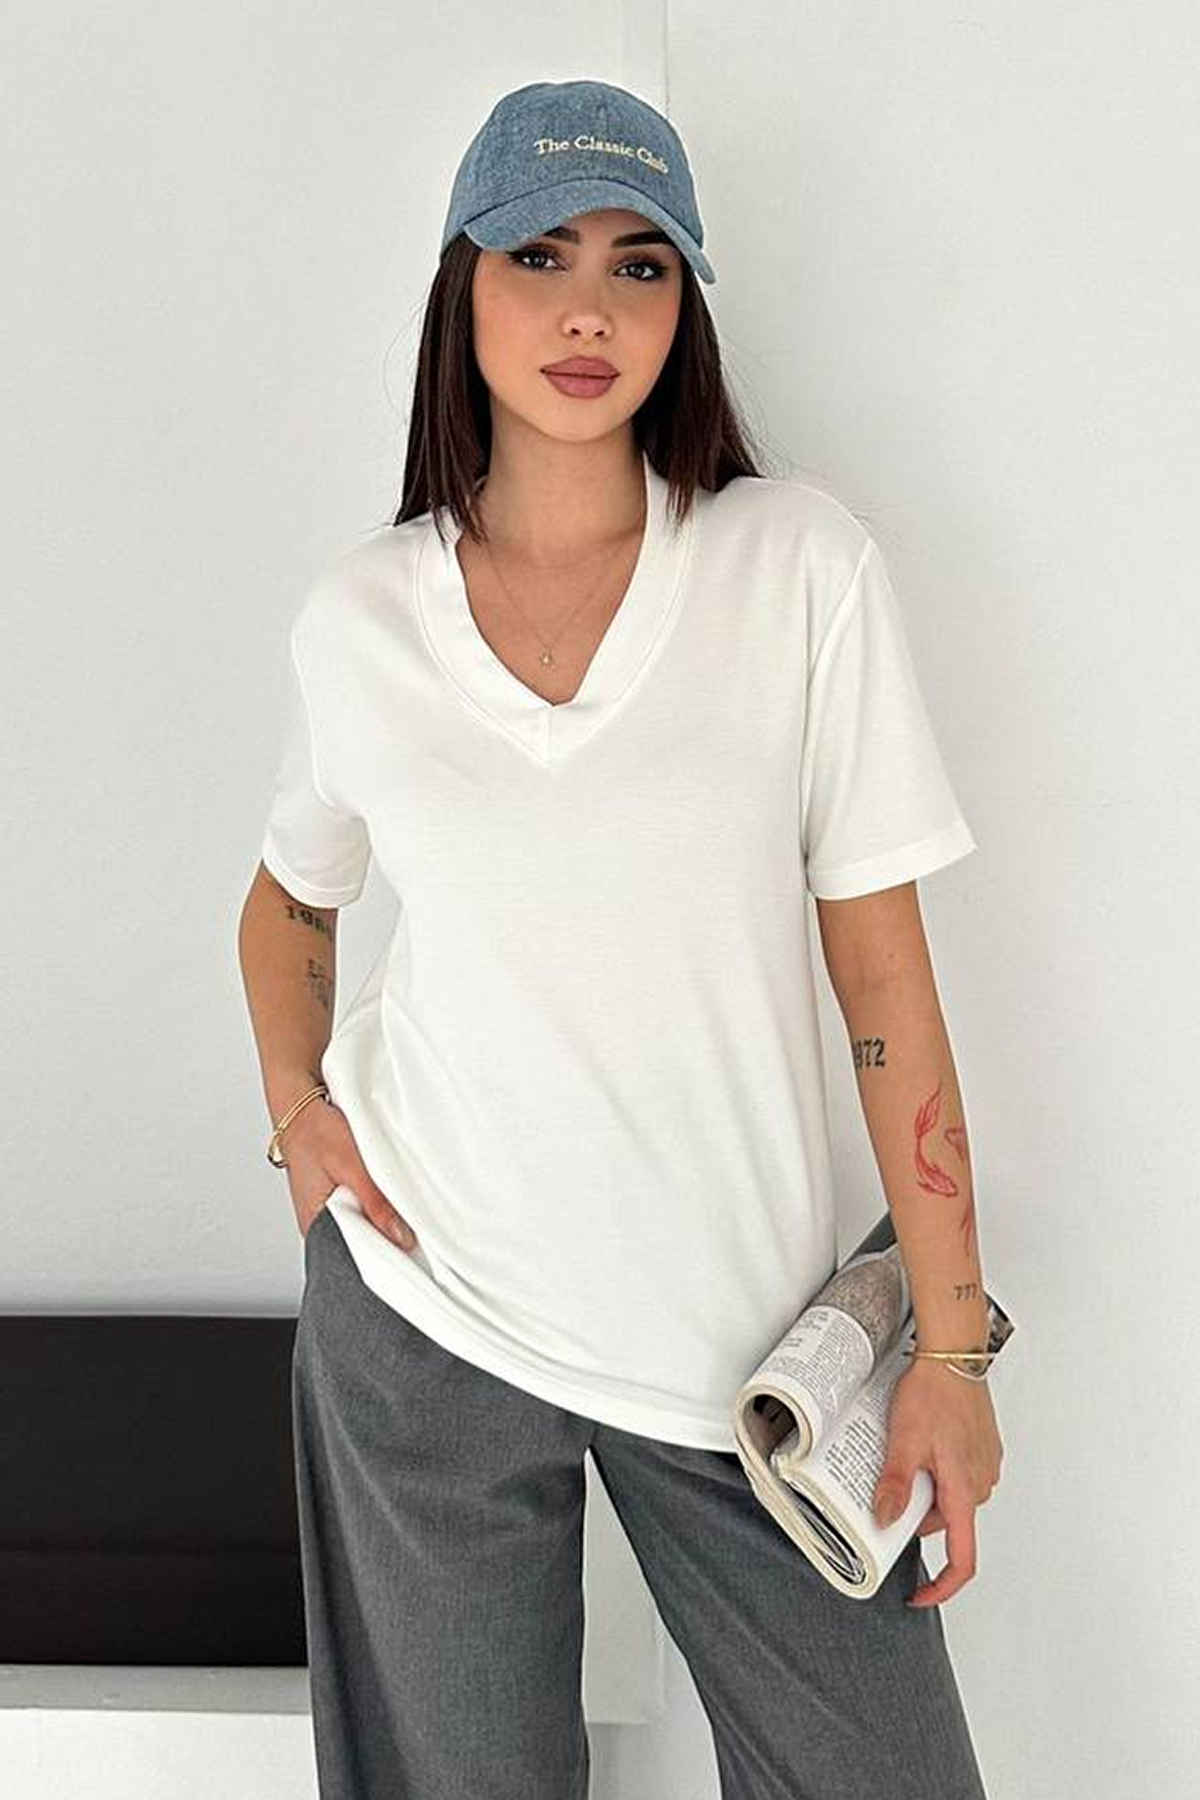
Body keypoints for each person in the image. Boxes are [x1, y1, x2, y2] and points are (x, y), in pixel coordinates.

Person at [238, 76, 1001, 1800]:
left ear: (684, 308)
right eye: (540, 254)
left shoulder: (797, 571)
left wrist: (952, 1354)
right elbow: (289, 899)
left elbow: (885, 978)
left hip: (748, 1360)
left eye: (639, 266)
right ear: (464, 285)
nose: (589, 309)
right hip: (426, 1312)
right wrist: (302, 1116)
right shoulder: (360, 619)